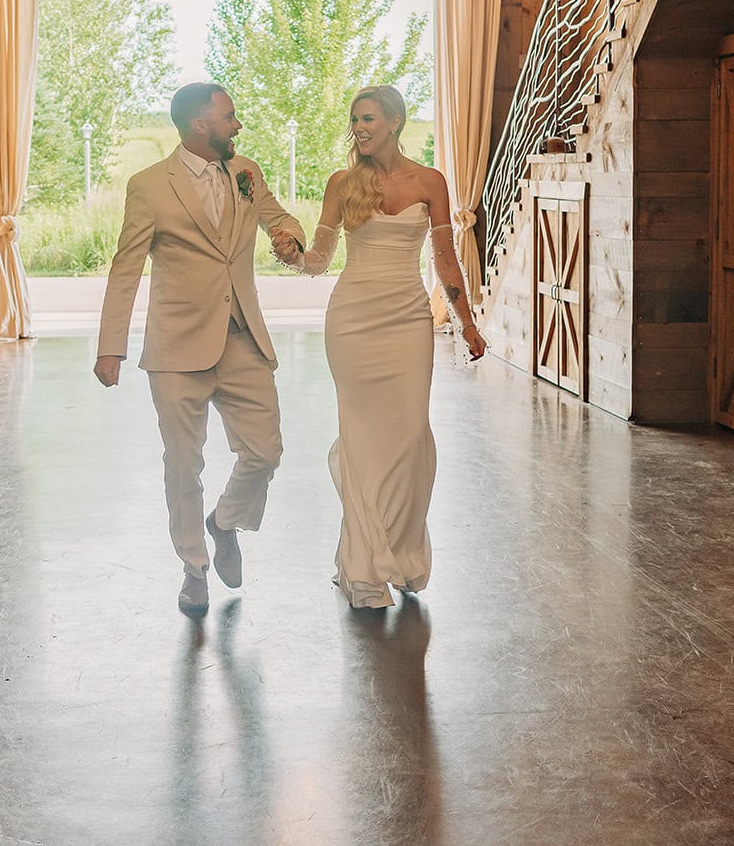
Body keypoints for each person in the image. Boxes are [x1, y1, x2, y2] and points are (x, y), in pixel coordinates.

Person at [95, 83, 306, 617]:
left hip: (242, 338)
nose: (237, 125)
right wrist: (111, 346)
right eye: (229, 117)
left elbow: (279, 216)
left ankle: (225, 522)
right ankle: (194, 569)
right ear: (199, 126)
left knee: (265, 452)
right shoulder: (149, 186)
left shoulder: (245, 172)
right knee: (183, 466)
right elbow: (126, 267)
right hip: (176, 348)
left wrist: (289, 238)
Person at [286, 85, 487, 609]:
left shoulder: (430, 182)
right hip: (352, 320)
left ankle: (397, 554)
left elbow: (445, 259)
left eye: (368, 118)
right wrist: (295, 257)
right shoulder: (342, 184)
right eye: (354, 119)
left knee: (406, 439)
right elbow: (321, 256)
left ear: (395, 121)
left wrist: (467, 323)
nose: (359, 127)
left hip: (407, 320)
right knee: (361, 440)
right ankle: (363, 570)